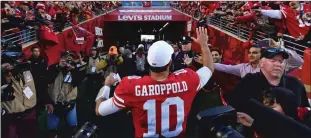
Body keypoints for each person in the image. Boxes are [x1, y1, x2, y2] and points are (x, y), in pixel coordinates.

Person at [95, 27, 214, 137]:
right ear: (170, 63)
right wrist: (203, 44)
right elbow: (209, 68)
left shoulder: (130, 86)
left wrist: (106, 86)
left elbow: (100, 110)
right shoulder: (187, 79)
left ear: (148, 62)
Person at [226, 47, 310, 112]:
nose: (278, 64)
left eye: (281, 61)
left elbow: (304, 111)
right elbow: (234, 106)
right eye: (273, 61)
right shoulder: (248, 82)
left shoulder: (296, 84)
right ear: (261, 63)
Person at [214, 39, 303, 78]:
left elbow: (298, 62)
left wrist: (279, 47)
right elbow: (225, 68)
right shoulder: (243, 68)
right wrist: (207, 61)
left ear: (261, 55)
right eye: (249, 53)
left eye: (255, 53)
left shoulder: (275, 66)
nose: (251, 55)